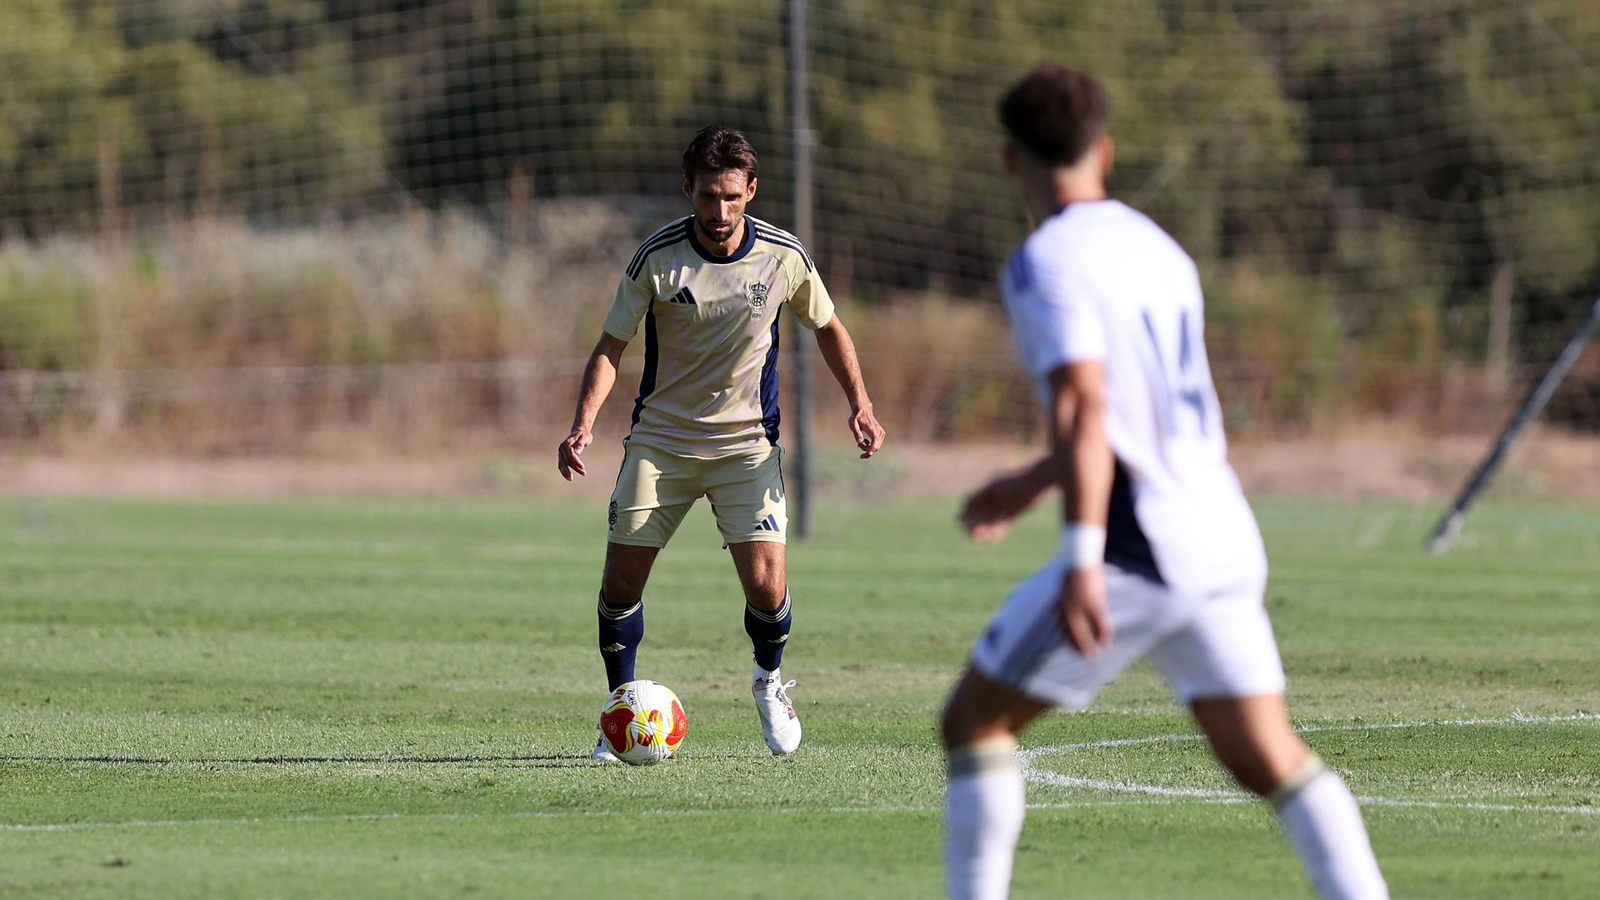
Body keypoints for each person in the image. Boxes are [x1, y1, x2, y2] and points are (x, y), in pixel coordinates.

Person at [940, 65, 1388, 899]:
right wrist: (1035, 479)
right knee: (1269, 757)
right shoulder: (1160, 249)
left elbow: (1084, 403)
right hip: (1220, 532)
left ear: (1009, 160)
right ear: (1104, 151)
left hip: (1138, 548)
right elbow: (1133, 414)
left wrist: (1081, 558)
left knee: (973, 723)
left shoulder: (1044, 261)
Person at [558, 124, 886, 760]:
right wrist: (583, 424)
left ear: (751, 191)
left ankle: (768, 682)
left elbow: (829, 327)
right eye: (708, 195)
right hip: (662, 441)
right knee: (620, 584)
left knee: (766, 588)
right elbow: (611, 347)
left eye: (732, 196)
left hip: (746, 447)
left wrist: (861, 405)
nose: (719, 210)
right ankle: (620, 710)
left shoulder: (784, 257)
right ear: (688, 189)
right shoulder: (656, 258)